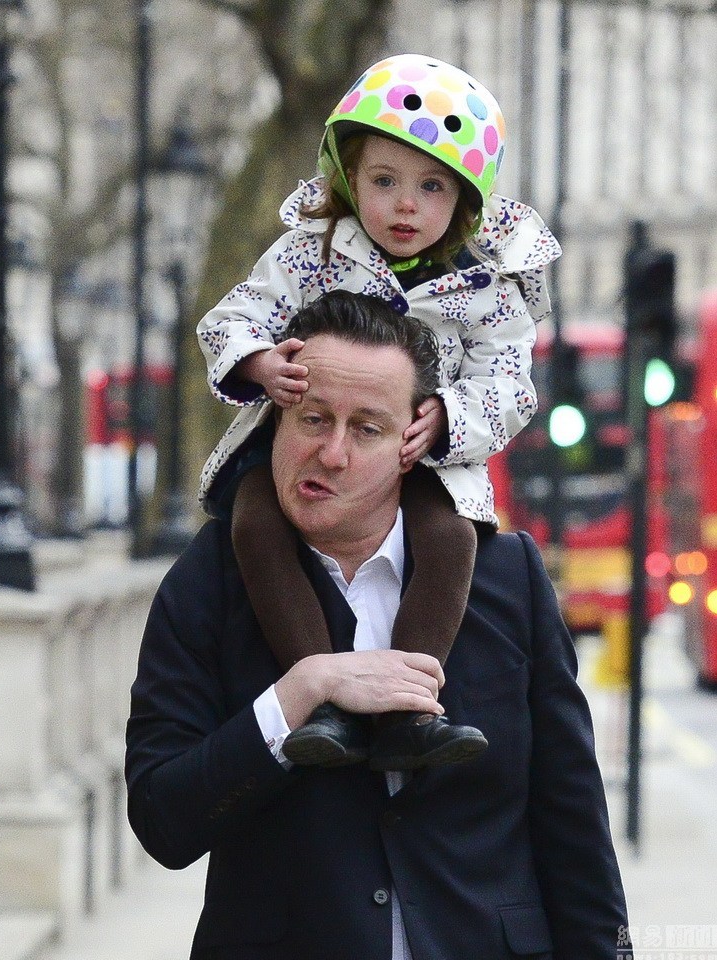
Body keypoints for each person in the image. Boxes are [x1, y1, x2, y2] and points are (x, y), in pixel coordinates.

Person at [126, 292, 629, 960]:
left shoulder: (505, 576)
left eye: (365, 429)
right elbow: (164, 822)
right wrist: (297, 695)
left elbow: (571, 823)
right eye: (312, 419)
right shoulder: (206, 581)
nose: (330, 454)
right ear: (275, 419)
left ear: (409, 445)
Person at [195, 54, 561, 769]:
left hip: (421, 453)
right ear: (347, 180)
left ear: (463, 201)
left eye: (431, 188)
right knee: (254, 524)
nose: (404, 205)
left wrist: (451, 415)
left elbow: (512, 384)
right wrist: (258, 361)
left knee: (449, 541)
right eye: (383, 181)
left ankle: (408, 709)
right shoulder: (311, 249)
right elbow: (235, 314)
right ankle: (326, 703)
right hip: (308, 446)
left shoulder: (486, 286)